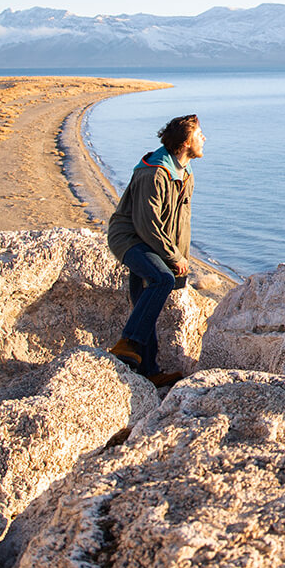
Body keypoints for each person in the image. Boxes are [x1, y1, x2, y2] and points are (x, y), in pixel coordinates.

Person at [105, 114, 205, 387]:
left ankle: (149, 369)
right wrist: (173, 258)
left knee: (143, 302)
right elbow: (147, 224)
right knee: (162, 279)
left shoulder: (184, 172)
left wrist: (180, 256)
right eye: (199, 135)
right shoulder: (155, 173)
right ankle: (128, 342)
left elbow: (179, 222)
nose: (204, 139)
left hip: (150, 240)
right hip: (131, 238)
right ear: (186, 142)